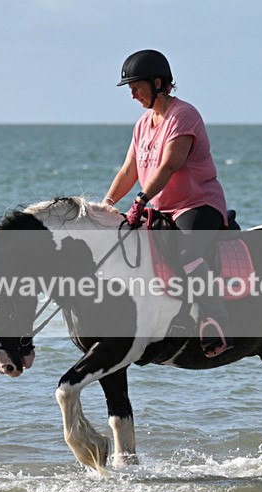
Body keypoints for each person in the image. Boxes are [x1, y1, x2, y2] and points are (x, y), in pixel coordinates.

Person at [102, 49, 233, 358]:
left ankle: (217, 320)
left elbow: (170, 165)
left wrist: (140, 199)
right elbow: (128, 171)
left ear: (158, 83)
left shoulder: (183, 116)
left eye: (136, 87)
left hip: (197, 205)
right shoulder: (142, 125)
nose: (132, 95)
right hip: (162, 208)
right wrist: (107, 203)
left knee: (186, 251)